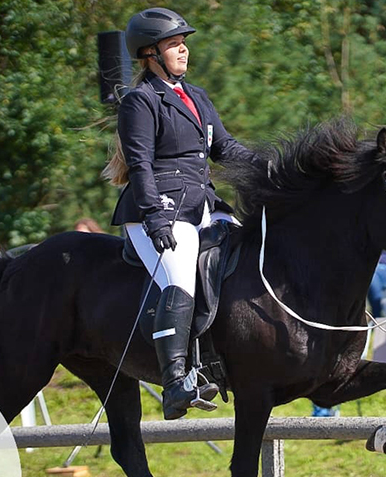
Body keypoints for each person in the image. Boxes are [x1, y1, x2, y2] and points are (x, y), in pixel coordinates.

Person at [103, 7, 265, 420]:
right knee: (180, 276)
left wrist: (267, 165)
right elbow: (140, 165)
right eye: (175, 44)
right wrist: (155, 216)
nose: (184, 50)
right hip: (158, 208)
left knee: (251, 252)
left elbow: (225, 149)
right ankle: (176, 382)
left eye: (183, 43)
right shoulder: (141, 101)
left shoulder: (196, 96)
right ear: (150, 53)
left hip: (204, 205)